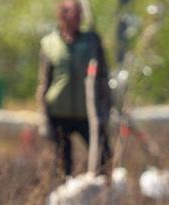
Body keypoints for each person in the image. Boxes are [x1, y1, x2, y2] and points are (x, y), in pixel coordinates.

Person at [37, 0, 112, 177]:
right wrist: (44, 116)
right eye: (73, 13)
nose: (78, 17)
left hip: (88, 112)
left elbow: (103, 76)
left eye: (80, 13)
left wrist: (105, 106)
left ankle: (100, 195)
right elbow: (44, 81)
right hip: (59, 113)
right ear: (62, 15)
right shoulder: (49, 43)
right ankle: (65, 194)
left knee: (103, 155)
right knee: (63, 163)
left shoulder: (92, 42)